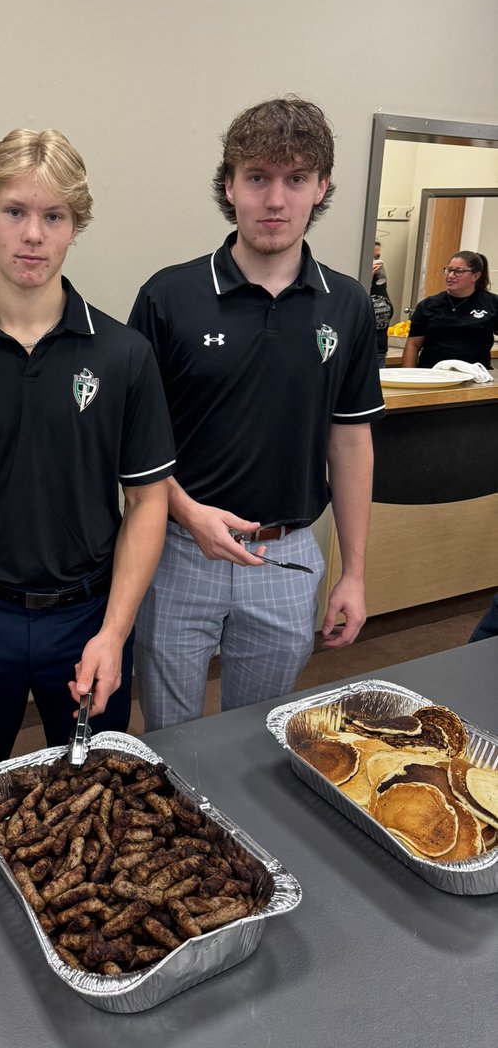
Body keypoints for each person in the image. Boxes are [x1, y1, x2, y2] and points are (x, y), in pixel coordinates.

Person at [0, 128, 175, 788]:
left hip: (88, 614)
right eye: (16, 212)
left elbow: (147, 502)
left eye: (54, 217)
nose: (33, 235)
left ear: (75, 226)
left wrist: (115, 632)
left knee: (96, 792)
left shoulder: (123, 355)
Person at [128, 96, 385, 731]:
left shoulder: (346, 305)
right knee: (171, 739)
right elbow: (130, 445)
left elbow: (350, 443)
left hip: (287, 556)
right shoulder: (170, 296)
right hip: (179, 552)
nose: (276, 200)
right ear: (229, 186)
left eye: (296, 179)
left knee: (257, 739)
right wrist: (188, 513)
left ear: (321, 187)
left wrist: (354, 573)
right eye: (258, 178)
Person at [402, 250, 497, 370]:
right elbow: (413, 345)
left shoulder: (492, 303)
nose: (451, 276)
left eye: (458, 271)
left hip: (475, 377)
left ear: (475, 276)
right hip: (433, 376)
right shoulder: (428, 305)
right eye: (449, 270)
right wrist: (409, 376)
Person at [370, 239, 393, 366]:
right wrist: (366, 278)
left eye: (378, 257)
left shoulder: (379, 282)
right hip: (364, 353)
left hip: (380, 351)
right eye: (372, 257)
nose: (377, 262)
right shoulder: (356, 282)